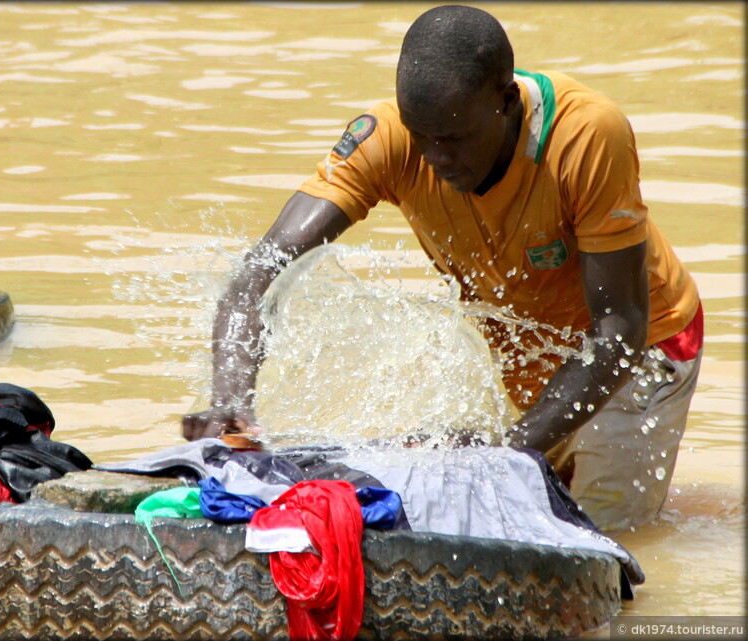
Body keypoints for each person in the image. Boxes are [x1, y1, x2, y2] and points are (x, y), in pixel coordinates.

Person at [181, 5, 702, 534]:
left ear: (506, 102)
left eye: (453, 139)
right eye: (421, 137)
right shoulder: (391, 138)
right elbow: (262, 270)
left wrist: (501, 453)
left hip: (643, 349)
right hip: (534, 351)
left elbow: (619, 332)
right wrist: (229, 404)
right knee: (522, 509)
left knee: (595, 540)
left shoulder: (587, 135)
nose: (435, 158)